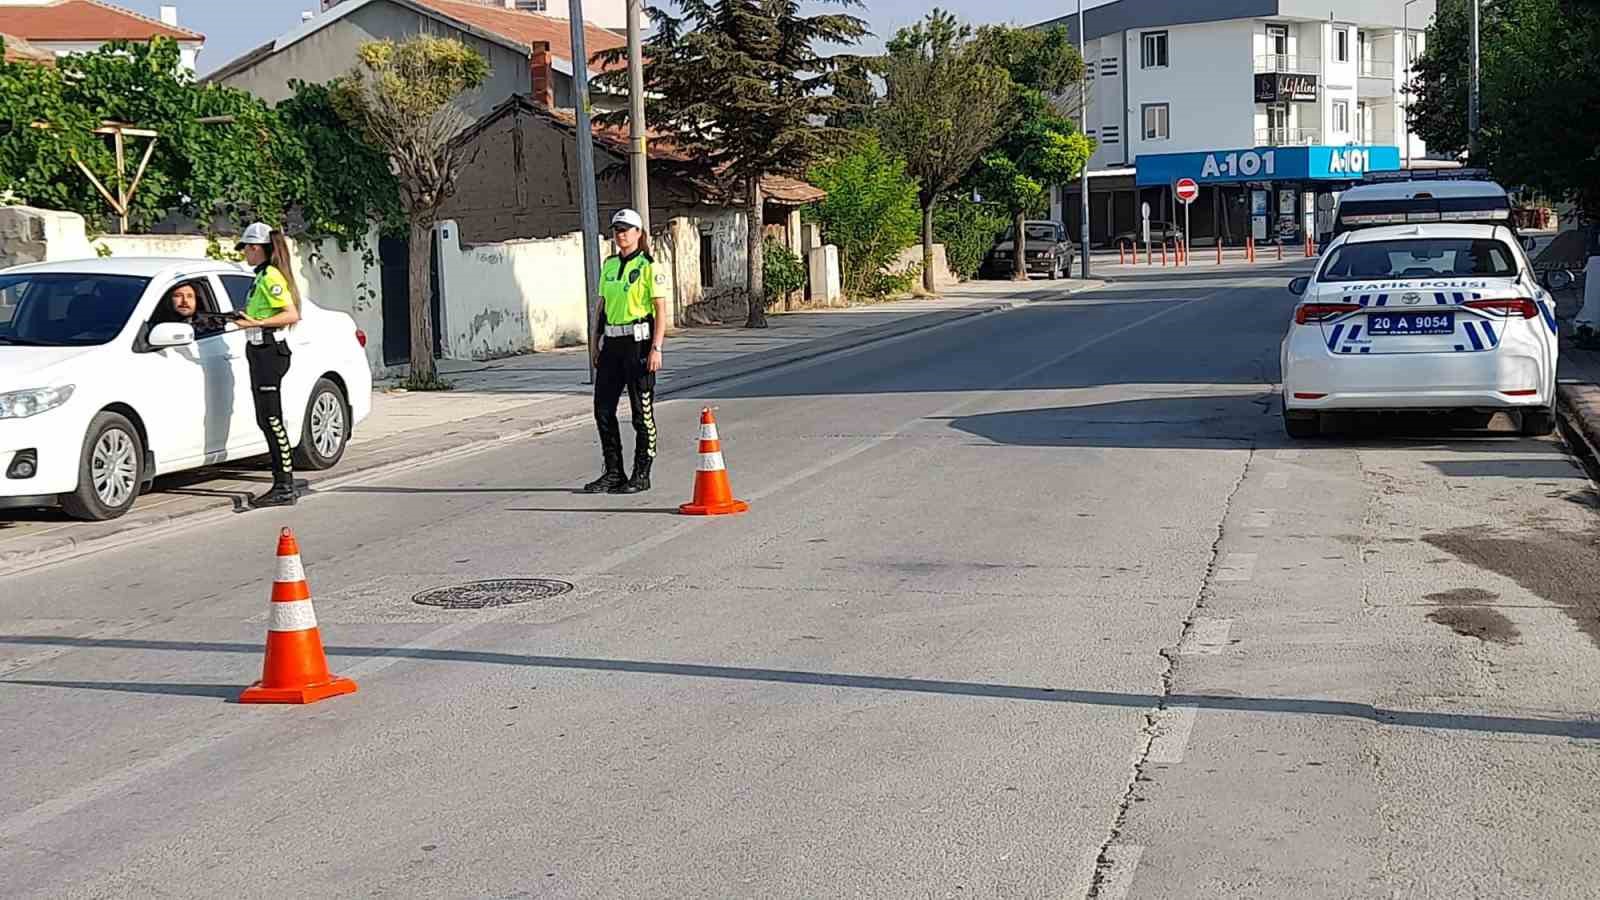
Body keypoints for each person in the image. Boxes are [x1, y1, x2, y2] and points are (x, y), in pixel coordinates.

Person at [584, 208, 666, 494]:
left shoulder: (648, 267)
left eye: (626, 229)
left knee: (640, 413)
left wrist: (656, 348)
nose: (620, 234)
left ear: (638, 233)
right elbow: (601, 308)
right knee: (602, 410)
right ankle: (613, 472)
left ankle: (641, 474)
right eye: (617, 230)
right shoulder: (609, 265)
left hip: (639, 344)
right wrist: (594, 345)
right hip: (612, 345)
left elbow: (660, 309)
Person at [232, 223, 302, 509]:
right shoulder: (260, 276)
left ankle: (284, 485)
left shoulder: (271, 276)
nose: (245, 253)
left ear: (259, 248)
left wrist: (255, 323)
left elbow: (291, 314)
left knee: (272, 420)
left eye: (248, 248)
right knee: (266, 419)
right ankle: (282, 483)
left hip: (270, 351)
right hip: (259, 348)